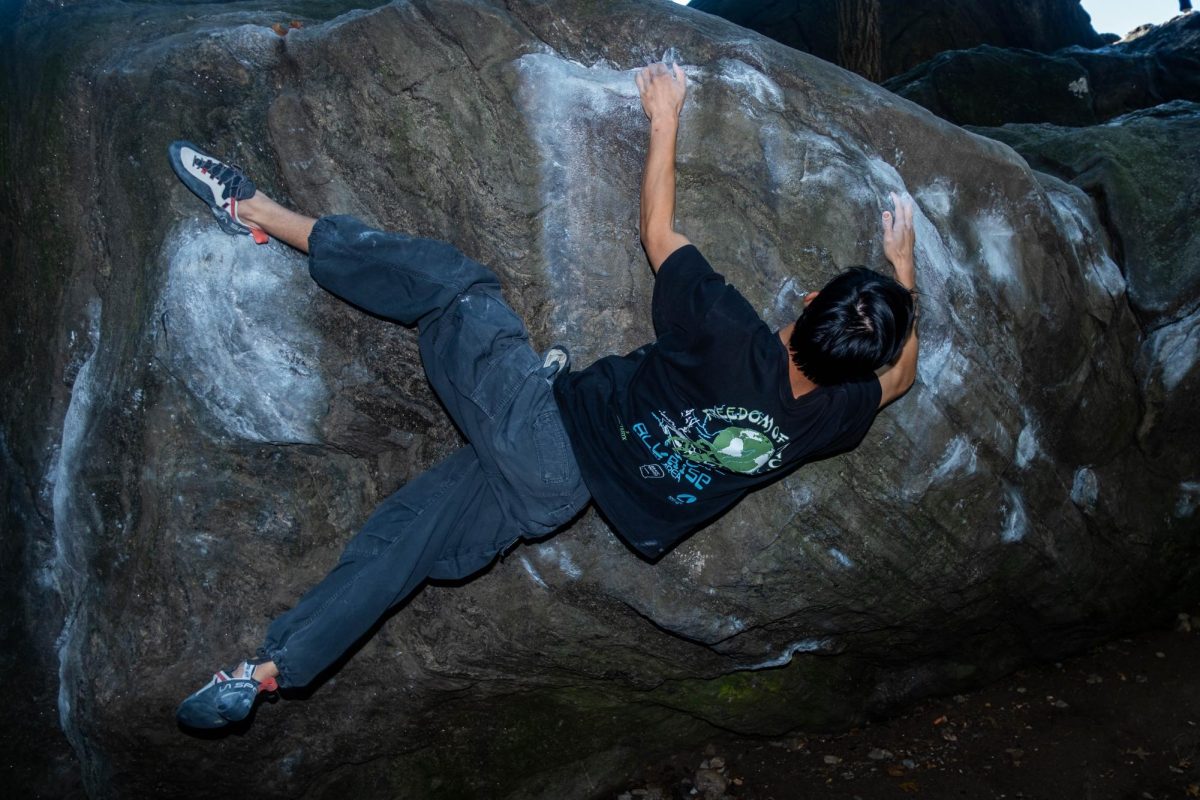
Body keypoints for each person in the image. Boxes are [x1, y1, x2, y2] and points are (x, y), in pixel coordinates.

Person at [171, 61, 918, 729]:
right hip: (558, 503)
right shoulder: (829, 416)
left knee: (458, 288)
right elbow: (902, 378)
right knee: (404, 542)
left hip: (546, 431)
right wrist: (898, 288)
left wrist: (664, 116)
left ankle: (257, 212)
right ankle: (270, 671)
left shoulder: (729, 329)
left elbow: (657, 230)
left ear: (812, 297)